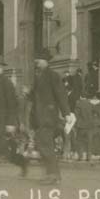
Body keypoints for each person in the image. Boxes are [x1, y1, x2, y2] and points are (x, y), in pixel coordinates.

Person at [30, 48, 74, 185]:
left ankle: (53, 174)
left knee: (45, 145)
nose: (36, 62)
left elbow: (61, 94)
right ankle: (54, 174)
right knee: (43, 144)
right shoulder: (39, 76)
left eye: (39, 59)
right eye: (36, 59)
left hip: (48, 116)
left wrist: (66, 113)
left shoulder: (53, 76)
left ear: (46, 61)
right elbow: (35, 97)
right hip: (40, 117)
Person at [73, 91, 93, 161]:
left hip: (81, 126)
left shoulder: (78, 104)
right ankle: (89, 157)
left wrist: (76, 124)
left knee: (80, 141)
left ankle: (80, 156)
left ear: (81, 97)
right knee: (89, 142)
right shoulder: (90, 104)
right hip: (89, 126)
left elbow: (76, 115)